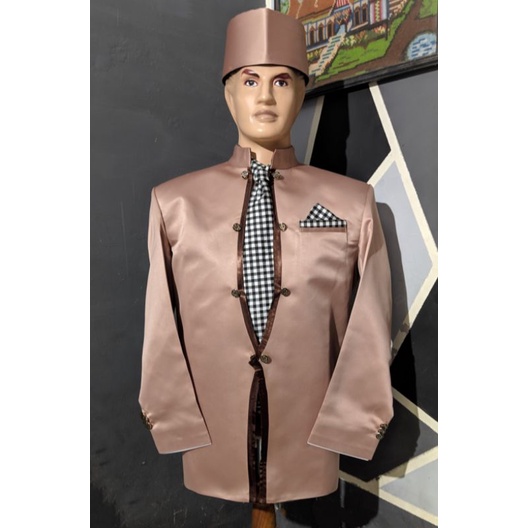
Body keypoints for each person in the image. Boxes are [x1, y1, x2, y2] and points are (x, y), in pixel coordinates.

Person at [139, 6, 393, 515]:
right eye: (250, 80)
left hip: (311, 426)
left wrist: (355, 423)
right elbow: (160, 327)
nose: (265, 97)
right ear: (228, 93)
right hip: (213, 423)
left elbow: (370, 323)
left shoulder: (351, 203)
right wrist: (170, 419)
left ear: (302, 91)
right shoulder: (175, 203)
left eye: (282, 81)